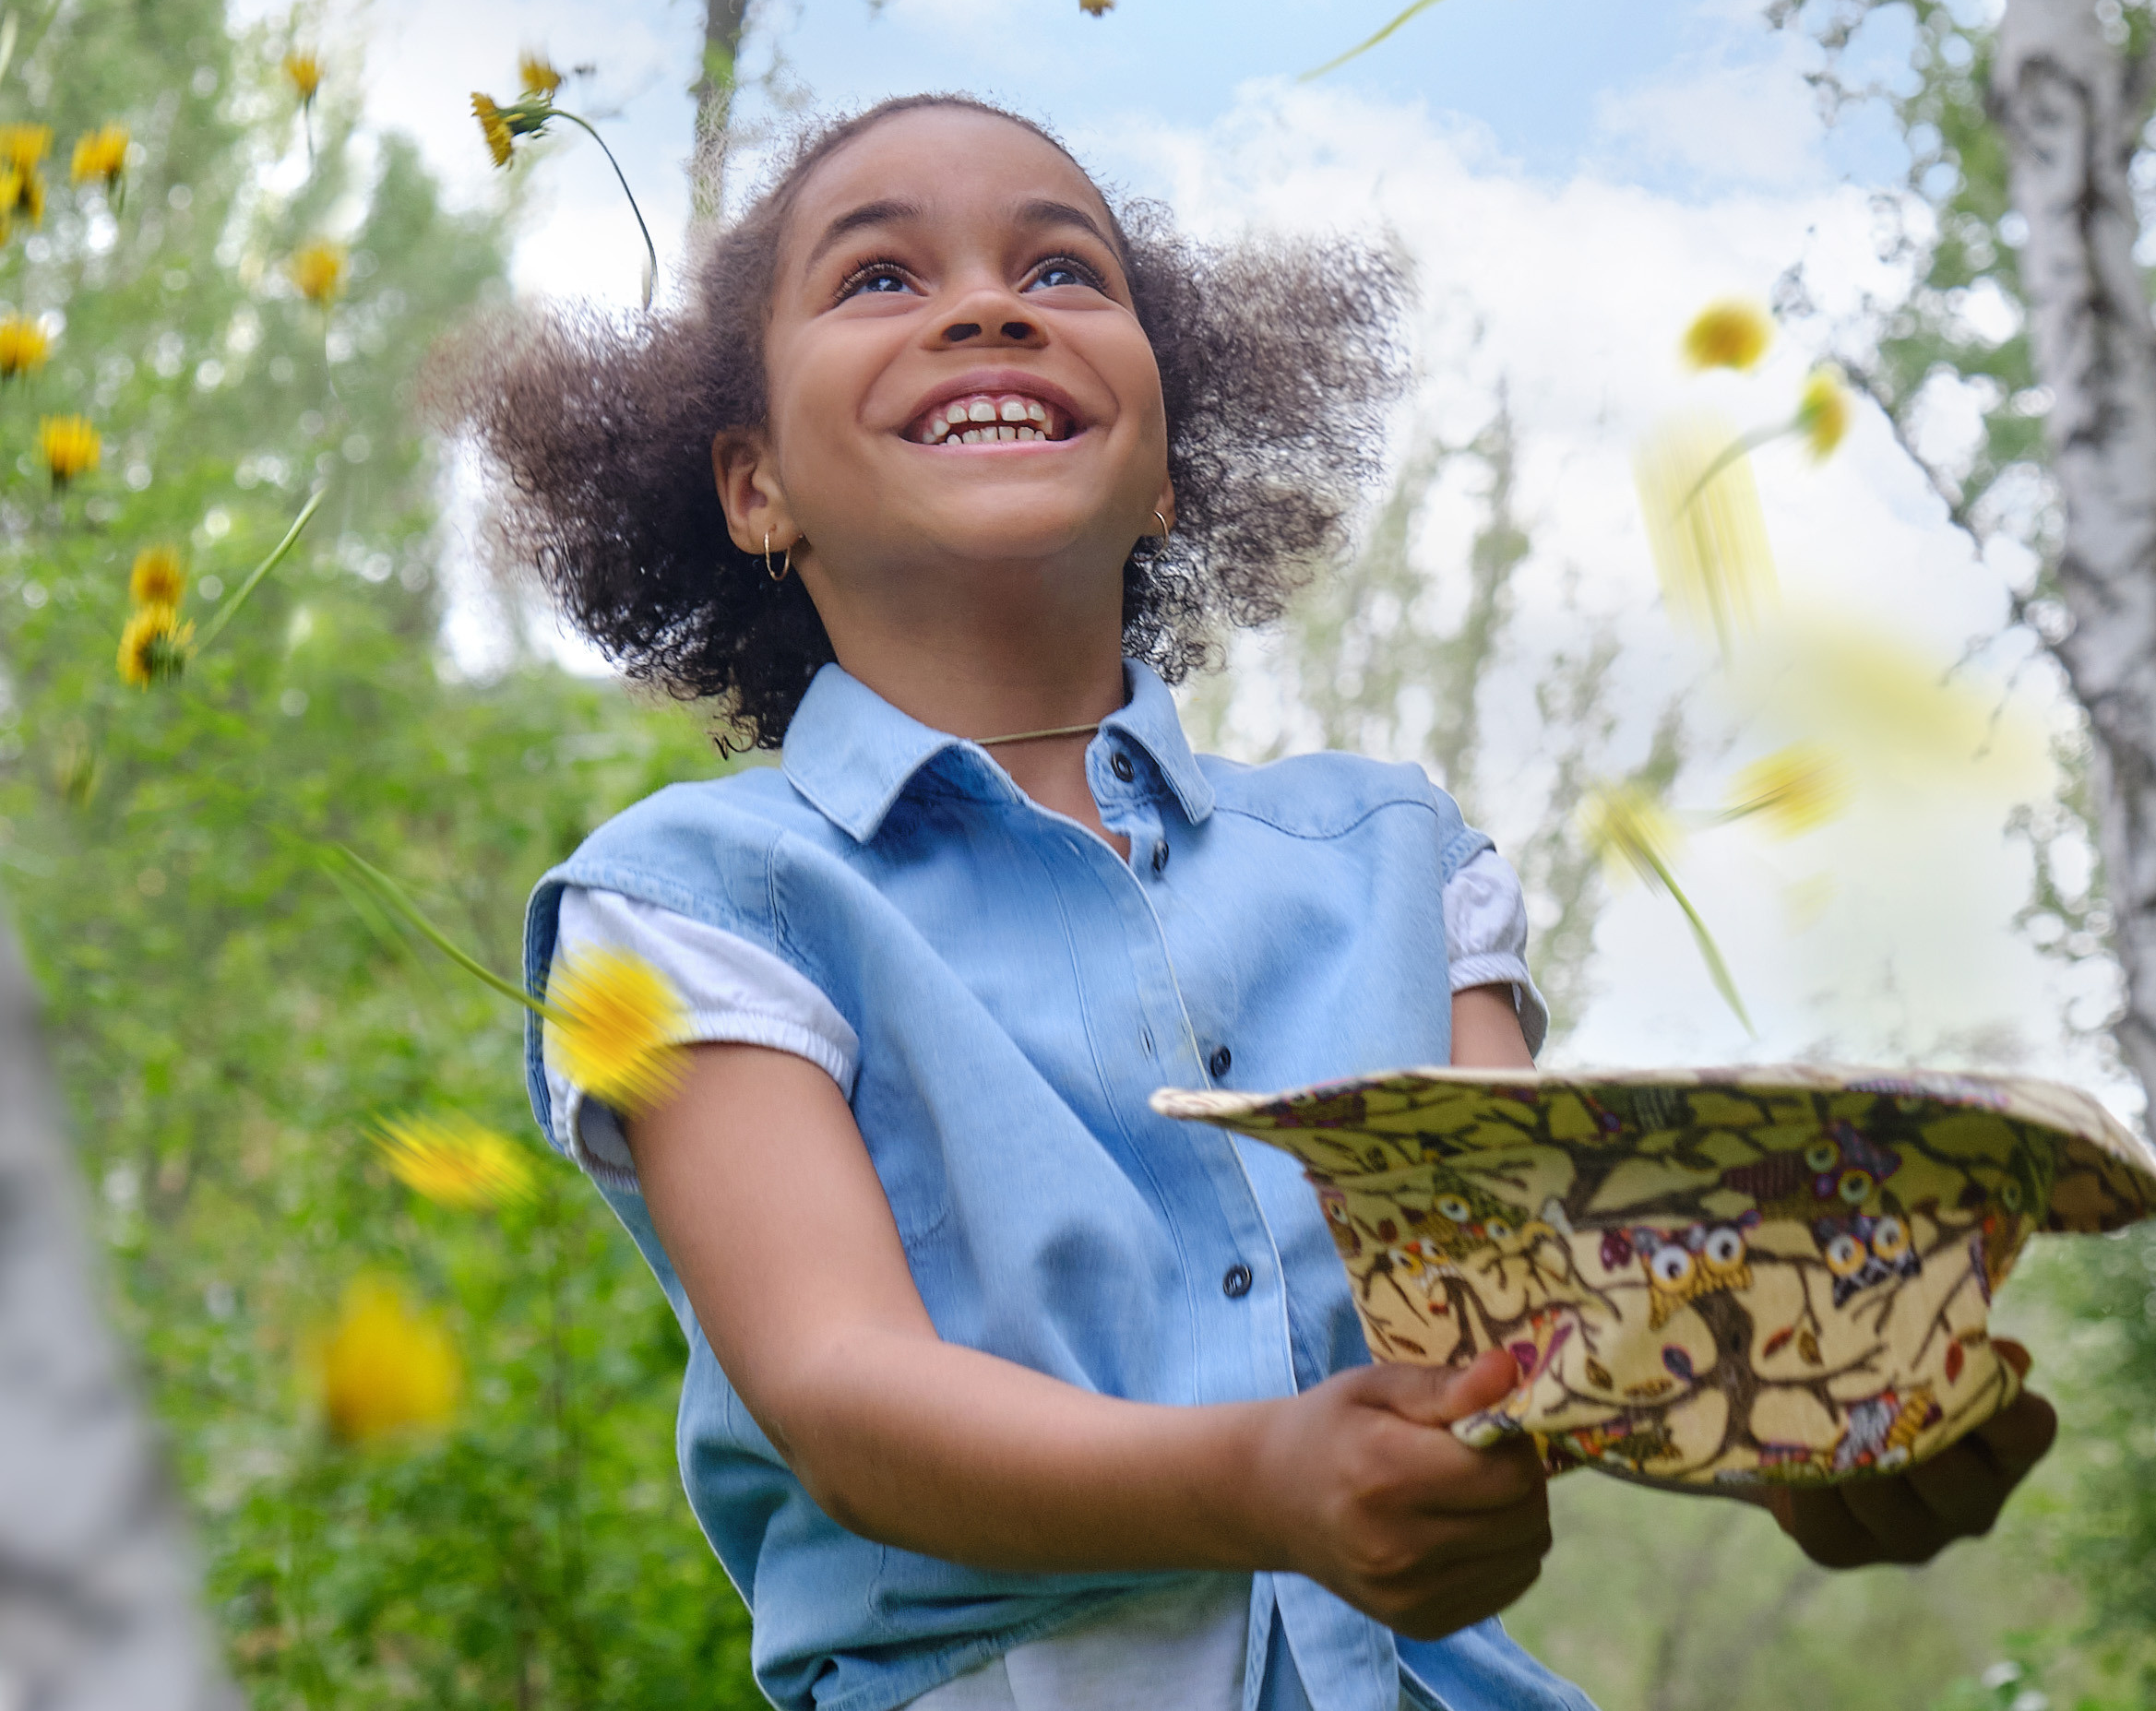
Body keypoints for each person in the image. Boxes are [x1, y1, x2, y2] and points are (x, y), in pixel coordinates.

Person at [453, 93, 2055, 1711]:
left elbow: (1540, 1330)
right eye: (878, 277)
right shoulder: (693, 902)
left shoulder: (1394, 857)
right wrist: (1260, 1480)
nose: (989, 307)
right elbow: (839, 1391)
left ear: (1166, 470)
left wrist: (1798, 1421)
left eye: (1062, 270)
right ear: (753, 489)